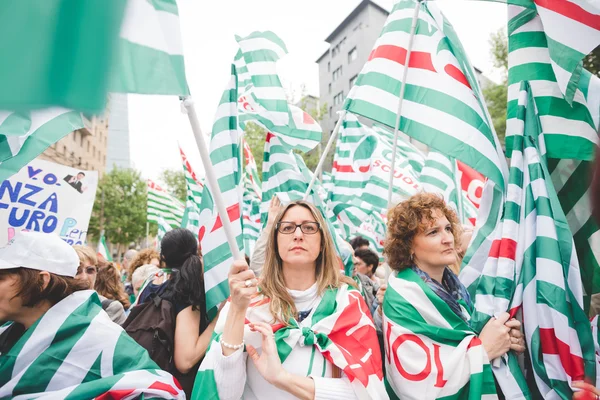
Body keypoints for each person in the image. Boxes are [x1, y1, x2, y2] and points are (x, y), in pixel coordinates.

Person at [193, 200, 387, 400]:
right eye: (287, 228)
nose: (298, 234)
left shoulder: (347, 301)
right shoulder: (247, 299)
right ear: (275, 242)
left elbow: (365, 392)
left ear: (322, 243)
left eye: (309, 227)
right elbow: (224, 394)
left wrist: (282, 379)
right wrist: (237, 310)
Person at [0, 231, 184, 399]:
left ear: (41, 282)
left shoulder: (98, 336)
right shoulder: (8, 330)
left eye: (1, 278)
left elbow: (158, 390)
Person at [382, 193, 525, 398]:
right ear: (408, 246)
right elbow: (417, 384)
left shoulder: (456, 289)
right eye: (433, 232)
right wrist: (484, 349)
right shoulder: (402, 297)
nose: (447, 238)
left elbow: (470, 335)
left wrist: (506, 338)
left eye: (448, 229)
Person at [133, 228, 216, 397]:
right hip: (172, 390)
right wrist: (221, 318)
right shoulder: (184, 289)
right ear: (197, 251)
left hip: (144, 383)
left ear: (163, 256)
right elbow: (185, 361)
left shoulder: (149, 285)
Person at [73, 245, 127, 325]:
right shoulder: (52, 304)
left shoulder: (110, 308)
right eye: (77, 271)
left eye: (90, 270)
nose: (84, 277)